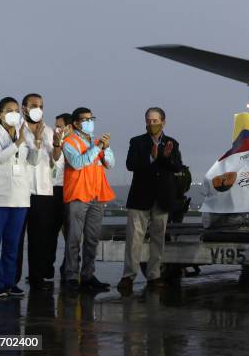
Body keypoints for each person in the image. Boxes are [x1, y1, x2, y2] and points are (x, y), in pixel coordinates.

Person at [117, 107, 183, 291]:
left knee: (158, 240)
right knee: (134, 240)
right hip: (140, 197)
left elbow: (178, 166)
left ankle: (154, 276)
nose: (151, 124)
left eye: (155, 120)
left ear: (163, 121)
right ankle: (128, 276)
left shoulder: (172, 143)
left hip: (162, 198)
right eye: (148, 120)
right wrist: (150, 158)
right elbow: (131, 165)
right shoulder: (137, 142)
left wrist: (165, 158)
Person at [0, 97, 41, 297]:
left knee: (12, 245)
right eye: (9, 110)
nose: (14, 113)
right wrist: (20, 141)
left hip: (20, 199)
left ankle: (10, 282)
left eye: (17, 110)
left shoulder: (25, 134)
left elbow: (33, 161)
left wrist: (37, 143)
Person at [62, 107, 115, 291]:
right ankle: (70, 277)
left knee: (92, 239)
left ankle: (88, 275)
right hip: (78, 195)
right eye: (85, 119)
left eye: (91, 118)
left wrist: (105, 148)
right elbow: (77, 163)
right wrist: (98, 147)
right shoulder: (69, 142)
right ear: (76, 123)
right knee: (74, 238)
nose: (89, 122)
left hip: (96, 195)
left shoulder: (97, 142)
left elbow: (110, 164)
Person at [15, 94, 63, 291]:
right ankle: (12, 279)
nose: (38, 109)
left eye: (41, 106)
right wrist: (33, 138)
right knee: (17, 238)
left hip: (43, 191)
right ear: (24, 108)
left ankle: (36, 276)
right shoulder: (17, 129)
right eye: (34, 105)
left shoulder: (48, 131)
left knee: (40, 237)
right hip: (21, 190)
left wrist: (58, 144)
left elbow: (56, 158)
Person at [52, 113, 73, 281]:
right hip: (54, 190)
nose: (57, 128)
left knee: (70, 232)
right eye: (56, 125)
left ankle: (70, 265)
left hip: (70, 191)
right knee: (52, 232)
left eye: (60, 125)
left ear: (69, 127)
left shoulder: (74, 144)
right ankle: (46, 268)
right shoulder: (55, 143)